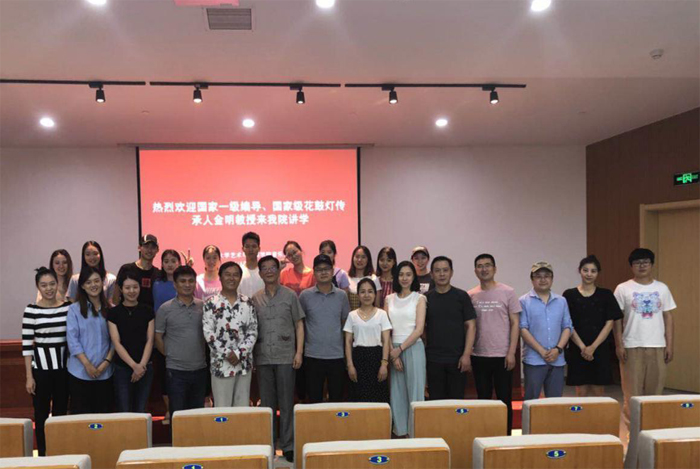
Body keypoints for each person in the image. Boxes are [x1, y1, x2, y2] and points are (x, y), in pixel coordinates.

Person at [613, 248, 676, 433]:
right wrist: (619, 344)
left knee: (655, 395)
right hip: (631, 346)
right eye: (637, 262)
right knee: (632, 396)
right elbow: (616, 319)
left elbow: (668, 317)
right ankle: (633, 436)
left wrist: (669, 344)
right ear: (631, 266)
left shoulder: (662, 288)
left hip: (657, 346)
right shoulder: (623, 288)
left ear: (652, 264)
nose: (641, 266)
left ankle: (651, 434)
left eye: (645, 262)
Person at [252, 256, 304, 462]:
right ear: (260, 273)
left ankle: (288, 445)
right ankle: (270, 444)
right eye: (264, 268)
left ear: (278, 270)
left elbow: (299, 324)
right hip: (263, 357)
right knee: (267, 404)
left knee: (286, 402)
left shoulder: (290, 296)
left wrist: (298, 352)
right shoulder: (255, 298)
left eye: (272, 267)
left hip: (285, 356)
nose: (269, 271)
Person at [468, 253, 521, 434]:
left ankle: (505, 436)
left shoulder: (508, 292)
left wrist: (511, 352)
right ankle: (486, 435)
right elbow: (469, 326)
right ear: (475, 270)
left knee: (504, 399)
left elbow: (515, 323)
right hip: (479, 355)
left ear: (495, 269)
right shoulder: (471, 295)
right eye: (480, 266)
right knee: (483, 399)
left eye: (487, 265)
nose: (484, 269)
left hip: (503, 356)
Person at [23, 267, 71, 456]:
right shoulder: (31, 310)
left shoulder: (68, 308)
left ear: (57, 284)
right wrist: (29, 377)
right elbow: (27, 346)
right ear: (38, 287)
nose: (49, 288)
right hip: (40, 371)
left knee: (60, 413)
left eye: (52, 284)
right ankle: (43, 454)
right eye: (44, 285)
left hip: (64, 370)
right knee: (41, 413)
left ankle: (59, 452)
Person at [563, 255, 622, 397]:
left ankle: (597, 414)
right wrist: (583, 347)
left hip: (600, 348)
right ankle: (580, 413)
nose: (589, 274)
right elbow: (567, 323)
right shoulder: (569, 294)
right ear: (579, 271)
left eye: (593, 271)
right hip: (577, 349)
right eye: (585, 270)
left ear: (598, 273)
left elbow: (610, 323)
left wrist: (593, 347)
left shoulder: (606, 294)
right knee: (581, 392)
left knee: (598, 392)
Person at [203, 262, 258, 407]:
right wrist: (228, 353)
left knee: (242, 408)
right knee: (222, 410)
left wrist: (239, 353)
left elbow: (252, 331)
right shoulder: (210, 303)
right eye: (227, 274)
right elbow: (209, 334)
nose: (231, 278)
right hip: (221, 365)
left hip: (243, 364)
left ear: (240, 278)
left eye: (235, 275)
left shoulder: (248, 303)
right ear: (220, 277)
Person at [155, 265, 207, 414]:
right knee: (177, 414)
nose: (187, 284)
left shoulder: (203, 306)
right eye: (183, 281)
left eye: (191, 281)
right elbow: (158, 337)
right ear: (175, 284)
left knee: (197, 415)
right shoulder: (165, 309)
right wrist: (170, 355)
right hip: (175, 372)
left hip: (200, 369)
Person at [299, 254, 351, 404]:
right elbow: (300, 324)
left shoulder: (341, 295)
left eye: (327, 269)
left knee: (336, 400)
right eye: (319, 269)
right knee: (314, 401)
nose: (323, 272)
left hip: (336, 356)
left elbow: (345, 324)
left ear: (332, 271)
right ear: (314, 272)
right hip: (312, 356)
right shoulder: (305, 296)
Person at [424, 256, 476, 400]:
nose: (442, 274)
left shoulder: (462, 296)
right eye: (437, 271)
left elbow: (471, 326)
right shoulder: (426, 298)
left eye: (445, 270)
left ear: (451, 272)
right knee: (436, 403)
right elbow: (421, 329)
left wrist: (466, 355)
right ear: (431, 274)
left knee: (456, 403)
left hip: (458, 360)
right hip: (433, 359)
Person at [519, 262, 573, 400]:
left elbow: (567, 327)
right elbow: (523, 329)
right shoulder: (523, 301)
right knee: (531, 401)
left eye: (546, 276)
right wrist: (542, 351)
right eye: (538, 276)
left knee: (555, 402)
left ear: (552, 279)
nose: (543, 279)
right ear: (532, 279)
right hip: (534, 360)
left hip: (557, 359)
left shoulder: (561, 301)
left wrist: (558, 349)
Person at [385, 261, 427, 437]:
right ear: (396, 277)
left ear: (413, 277)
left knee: (415, 392)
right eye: (401, 274)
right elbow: (386, 329)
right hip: (393, 349)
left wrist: (400, 349)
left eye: (408, 274)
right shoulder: (389, 299)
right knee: (397, 392)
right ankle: (400, 432)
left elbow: (419, 329)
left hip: (413, 347)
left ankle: (416, 434)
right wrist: (393, 355)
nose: (404, 278)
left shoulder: (419, 298)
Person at [66, 267, 115, 414]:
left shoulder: (111, 309)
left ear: (102, 283)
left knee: (102, 419)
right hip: (80, 372)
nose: (93, 285)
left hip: (105, 373)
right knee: (81, 419)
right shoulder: (74, 310)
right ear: (82, 286)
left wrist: (106, 363)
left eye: (96, 281)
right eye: (88, 282)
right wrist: (88, 365)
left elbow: (115, 341)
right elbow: (73, 340)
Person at [107, 269, 155, 412]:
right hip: (122, 368)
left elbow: (150, 340)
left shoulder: (147, 310)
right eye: (127, 288)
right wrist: (134, 366)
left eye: (135, 287)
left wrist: (141, 366)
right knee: (124, 410)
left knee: (141, 409)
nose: (132, 291)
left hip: (145, 367)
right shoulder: (114, 313)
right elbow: (116, 342)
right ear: (121, 289)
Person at [343, 278, 392, 403]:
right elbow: (348, 342)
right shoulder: (352, 315)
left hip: (377, 359)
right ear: (358, 294)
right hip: (358, 359)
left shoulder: (382, 314)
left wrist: (384, 364)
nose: (366, 295)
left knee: (378, 399)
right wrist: (350, 365)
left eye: (370, 291)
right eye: (363, 291)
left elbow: (386, 341)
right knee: (358, 398)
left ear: (375, 294)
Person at [152, 249, 182, 422]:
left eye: (173, 261)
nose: (170, 264)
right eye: (166, 261)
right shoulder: (157, 283)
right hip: (161, 334)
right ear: (162, 264)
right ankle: (169, 410)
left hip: (181, 334)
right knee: (164, 374)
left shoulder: (184, 283)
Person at [114, 234, 160, 307]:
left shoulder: (158, 274)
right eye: (146, 246)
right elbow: (116, 297)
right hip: (127, 312)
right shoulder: (126, 269)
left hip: (150, 313)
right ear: (139, 247)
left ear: (157, 250)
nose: (149, 250)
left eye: (153, 247)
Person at [347, 245, 381, 310]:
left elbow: (377, 305)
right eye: (357, 257)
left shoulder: (374, 279)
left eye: (363, 257)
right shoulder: (347, 278)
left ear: (368, 260)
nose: (359, 260)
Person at [239, 232, 265, 299]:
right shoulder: (239, 271)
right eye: (247, 246)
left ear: (259, 248)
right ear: (243, 249)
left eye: (254, 246)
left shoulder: (264, 271)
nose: (250, 250)